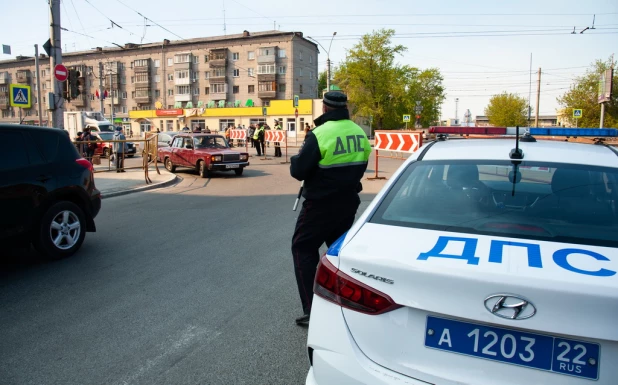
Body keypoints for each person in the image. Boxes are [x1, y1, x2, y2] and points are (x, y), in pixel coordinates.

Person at [289, 91, 371, 326]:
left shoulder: (319, 134)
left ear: (324, 109)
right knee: (337, 253)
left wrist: (298, 159)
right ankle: (348, 303)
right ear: (345, 108)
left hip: (319, 205)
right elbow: (360, 164)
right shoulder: (358, 132)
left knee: (302, 248)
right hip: (348, 202)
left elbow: (298, 171)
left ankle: (312, 310)